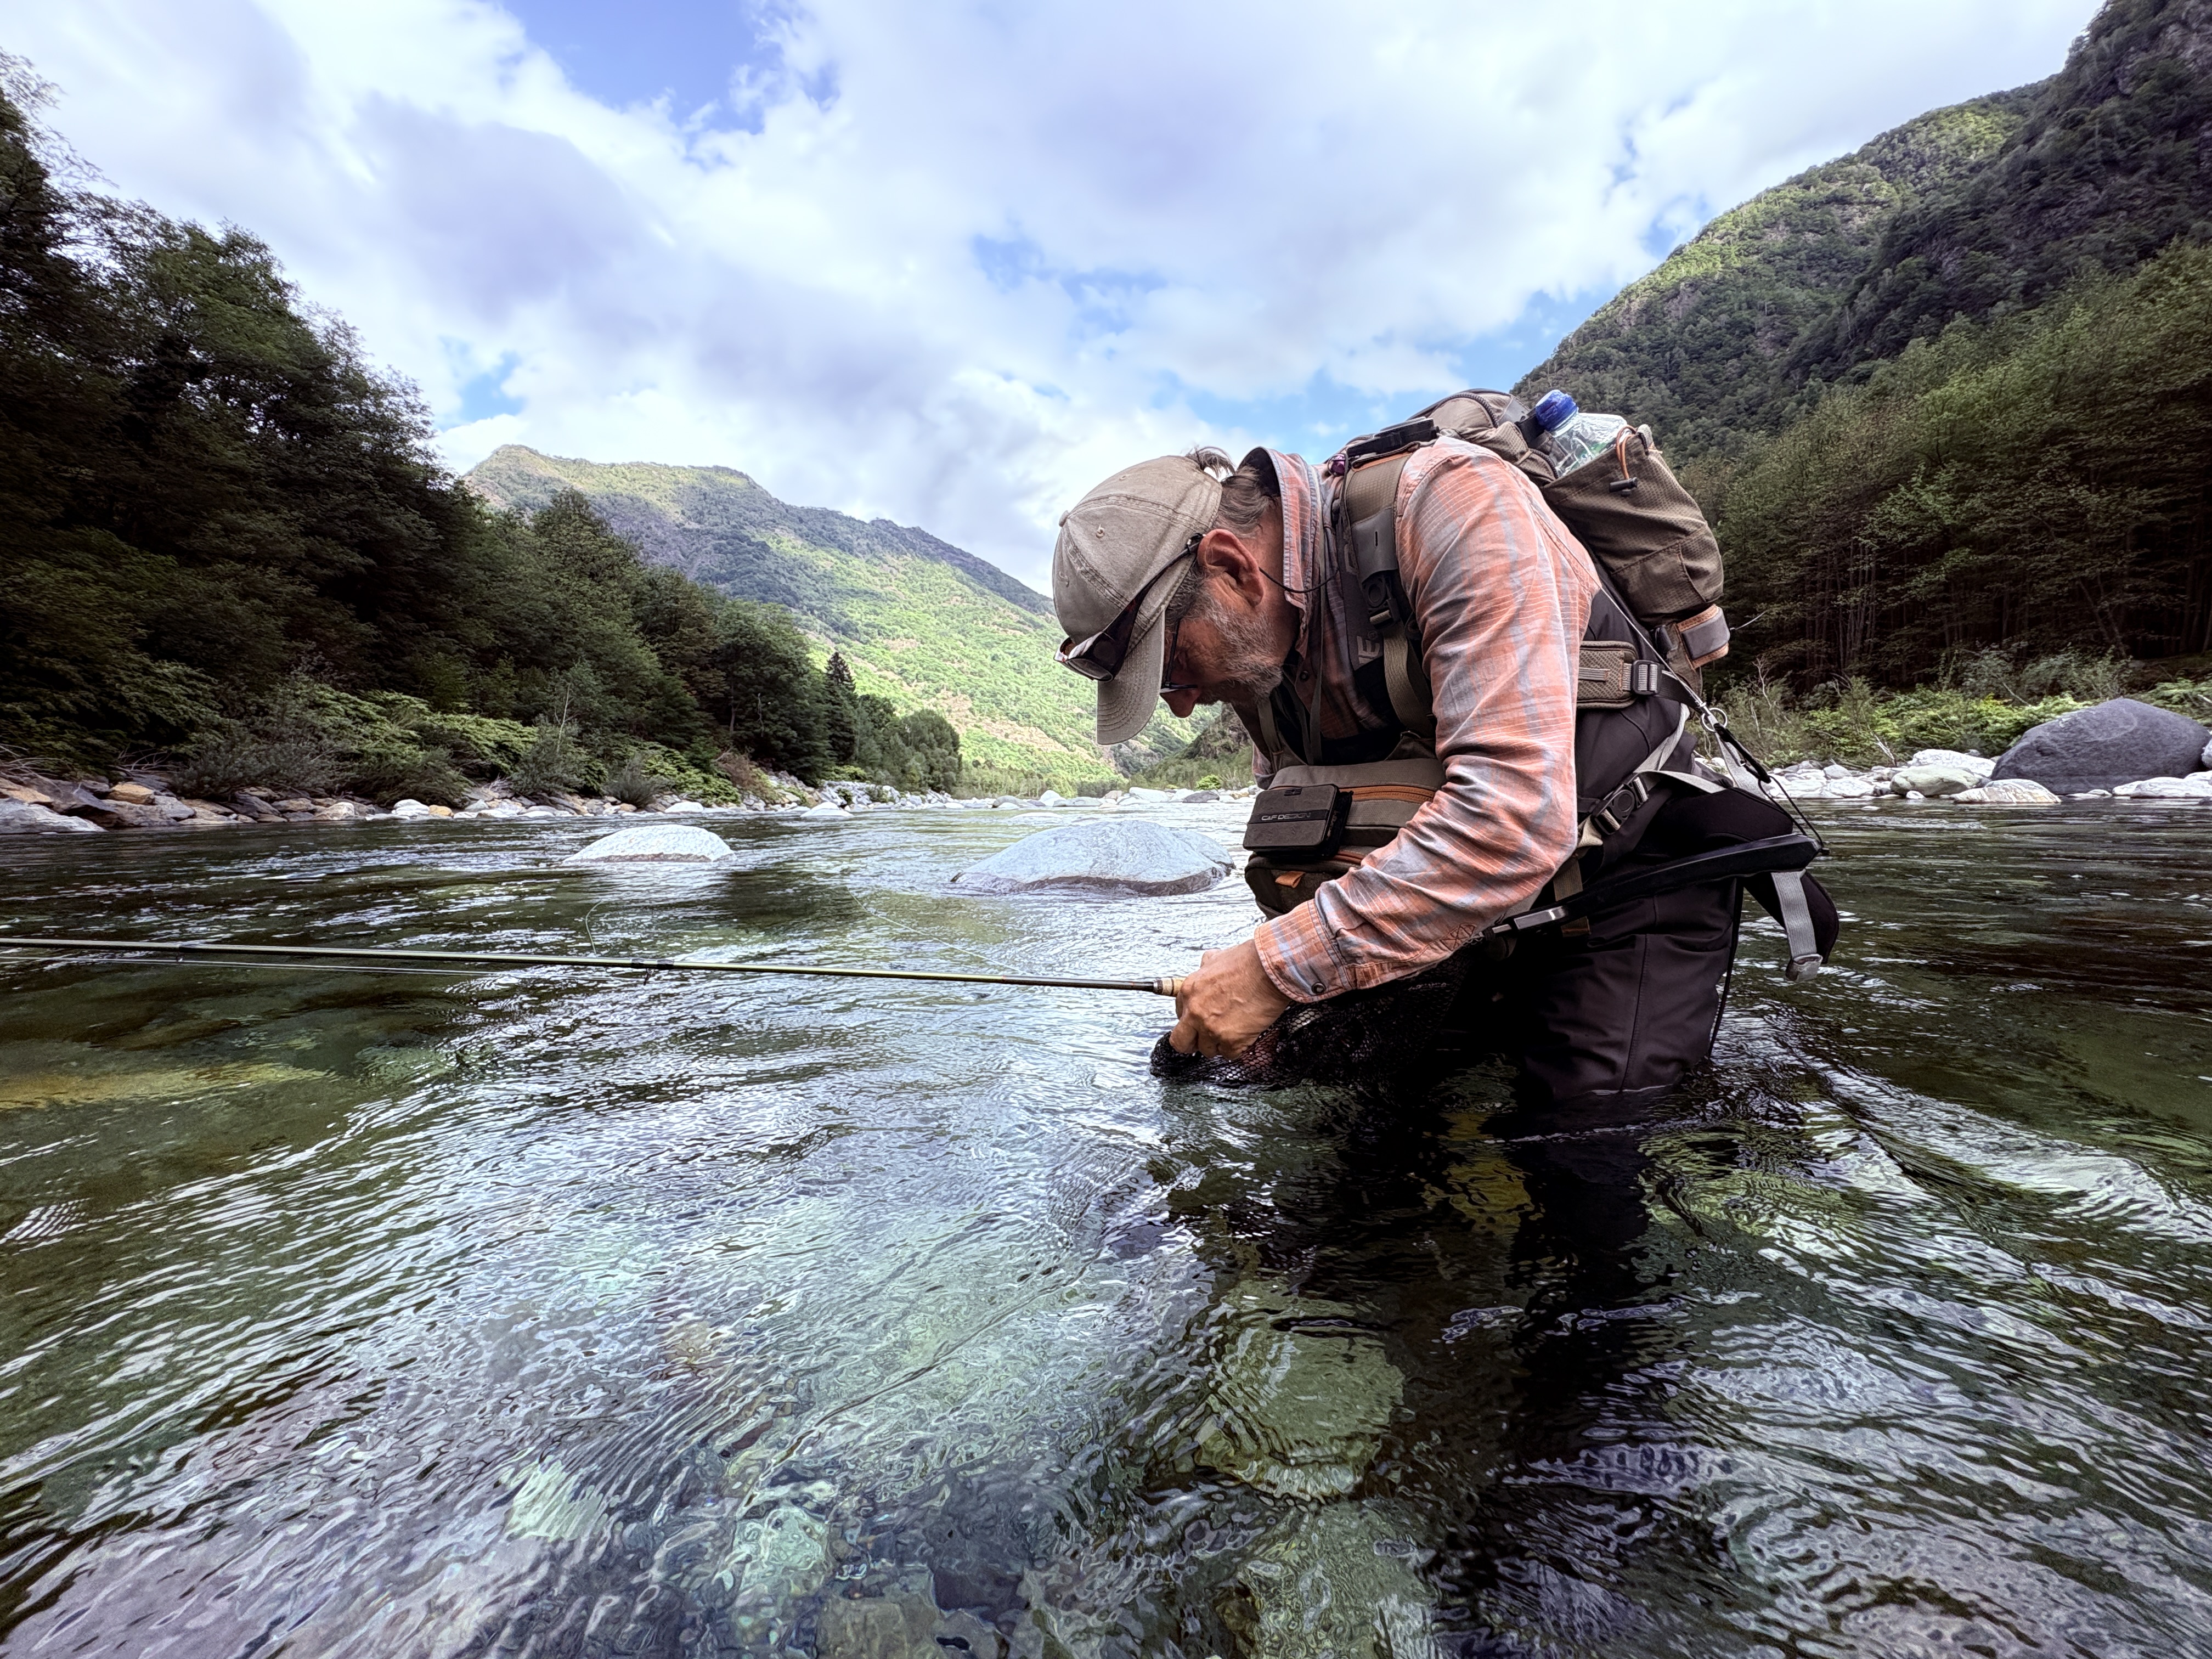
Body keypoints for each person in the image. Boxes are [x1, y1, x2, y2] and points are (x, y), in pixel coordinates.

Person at [1050, 437, 1757, 1114]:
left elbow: (1510, 818)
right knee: (1374, 1146)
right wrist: (1285, 1006)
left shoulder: (1455, 504)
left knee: (1580, 1148)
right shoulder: (1256, 652)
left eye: (1170, 667)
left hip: (1626, 880)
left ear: (1233, 569)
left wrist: (1271, 971)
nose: (1179, 705)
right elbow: (1311, 834)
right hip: (1466, 920)